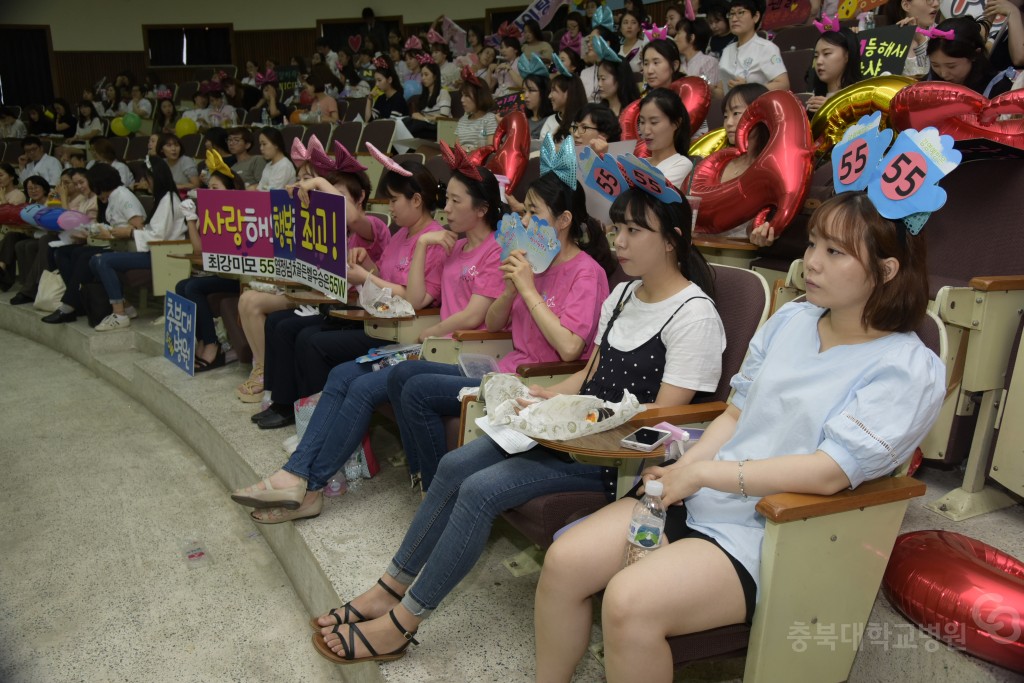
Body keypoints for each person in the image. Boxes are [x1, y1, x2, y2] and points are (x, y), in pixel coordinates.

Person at [307, 172, 724, 665]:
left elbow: (663, 419)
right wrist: (549, 395)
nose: (620, 241)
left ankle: (403, 623)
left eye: (635, 231)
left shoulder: (694, 315)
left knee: (482, 490)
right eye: (617, 229)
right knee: (455, 465)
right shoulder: (624, 294)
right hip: (574, 427)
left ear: (672, 241)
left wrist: (576, 419)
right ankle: (388, 587)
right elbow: (589, 373)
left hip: (615, 456)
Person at [534, 189, 946, 683]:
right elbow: (735, 413)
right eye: (812, 243)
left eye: (834, 252)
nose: (810, 262)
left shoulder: (906, 367)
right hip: (707, 492)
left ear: (887, 270)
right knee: (563, 563)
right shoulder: (793, 318)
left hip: (778, 531)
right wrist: (687, 470)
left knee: (628, 602)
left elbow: (830, 472)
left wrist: (706, 472)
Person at [231, 158, 507, 523]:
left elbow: (473, 316)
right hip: (432, 345)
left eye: (456, 201)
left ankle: (306, 484)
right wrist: (424, 247)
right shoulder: (452, 245)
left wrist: (433, 331)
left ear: (482, 208)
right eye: (448, 200)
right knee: (343, 374)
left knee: (359, 385)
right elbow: (417, 290)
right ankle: (298, 475)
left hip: (459, 352)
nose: (447, 209)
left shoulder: (496, 250)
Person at [389, 158, 617, 490]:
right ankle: (427, 476)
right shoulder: (532, 262)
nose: (524, 221)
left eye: (533, 213)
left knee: (418, 391)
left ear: (564, 220)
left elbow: (569, 348)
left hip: (536, 380)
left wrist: (527, 288)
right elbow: (495, 321)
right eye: (523, 212)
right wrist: (511, 290)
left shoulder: (586, 272)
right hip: (504, 367)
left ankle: (437, 485)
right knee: (402, 374)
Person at [250, 160, 444, 424]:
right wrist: (365, 264)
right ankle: (293, 409)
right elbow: (381, 277)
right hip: (375, 318)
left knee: (313, 341)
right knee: (295, 331)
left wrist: (365, 277)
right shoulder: (402, 235)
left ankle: (317, 422)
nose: (389, 207)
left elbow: (414, 297)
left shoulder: (434, 240)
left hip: (398, 330)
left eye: (394, 200)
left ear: (417, 200)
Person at [89, 156, 187, 331]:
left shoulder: (169, 200)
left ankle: (119, 314)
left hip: (165, 253)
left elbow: (157, 236)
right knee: (96, 259)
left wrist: (130, 232)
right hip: (155, 252)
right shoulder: (163, 199)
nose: (143, 182)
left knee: (103, 260)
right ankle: (125, 307)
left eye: (146, 178)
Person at [42, 164, 146, 323]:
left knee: (85, 257)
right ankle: (79, 301)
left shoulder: (124, 196)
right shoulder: (111, 197)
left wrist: (109, 232)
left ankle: (68, 306)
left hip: (129, 248)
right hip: (116, 244)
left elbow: (138, 226)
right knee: (66, 252)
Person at [716, 0, 789, 96]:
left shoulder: (766, 48)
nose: (734, 19)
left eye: (740, 12)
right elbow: (722, 92)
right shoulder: (727, 51)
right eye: (731, 14)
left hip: (757, 106)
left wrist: (749, 89)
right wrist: (711, 90)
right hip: (730, 107)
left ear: (755, 17)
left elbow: (784, 84)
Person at [927, 17, 1015, 96]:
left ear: (974, 55)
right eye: (935, 65)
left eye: (951, 66)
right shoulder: (930, 83)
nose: (943, 74)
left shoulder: (999, 88)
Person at [638, 88, 694, 190]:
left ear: (676, 123)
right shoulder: (638, 163)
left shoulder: (681, 165)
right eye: (642, 122)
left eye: (654, 122)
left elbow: (651, 198)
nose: (646, 131)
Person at [806, 27, 861, 116]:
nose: (819, 61)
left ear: (847, 56)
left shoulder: (861, 97)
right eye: (816, 56)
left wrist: (832, 109)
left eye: (827, 53)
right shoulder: (813, 102)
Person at [882, 0, 941, 77]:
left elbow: (932, 78)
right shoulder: (886, 40)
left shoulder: (943, 35)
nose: (936, 4)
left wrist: (921, 41)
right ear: (906, 5)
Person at [402, 61, 452, 140]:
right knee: (405, 121)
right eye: (422, 75)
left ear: (435, 76)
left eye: (426, 74)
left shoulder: (443, 93)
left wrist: (423, 118)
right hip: (426, 126)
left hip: (439, 128)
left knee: (418, 125)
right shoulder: (425, 95)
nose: (423, 78)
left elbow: (444, 117)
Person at [675, 18, 720, 89]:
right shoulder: (679, 64)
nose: (675, 38)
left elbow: (710, 93)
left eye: (678, 33)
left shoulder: (709, 62)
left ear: (691, 37)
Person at [455, 78, 498, 152]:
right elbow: (456, 146)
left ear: (479, 96)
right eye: (462, 95)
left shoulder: (490, 119)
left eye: (467, 96)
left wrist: (468, 150)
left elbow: (490, 149)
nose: (462, 100)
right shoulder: (462, 120)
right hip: (462, 161)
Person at [545, 75, 588, 142]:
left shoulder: (587, 121)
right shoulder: (550, 121)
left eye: (554, 90)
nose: (549, 96)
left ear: (569, 92)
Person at [598, 52, 641, 117]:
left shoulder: (636, 113)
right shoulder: (597, 113)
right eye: (598, 79)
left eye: (603, 79)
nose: (599, 84)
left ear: (619, 78)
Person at [523, 74, 555, 139]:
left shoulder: (550, 121)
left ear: (544, 92)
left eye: (531, 90)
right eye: (524, 91)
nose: (526, 95)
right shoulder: (524, 119)